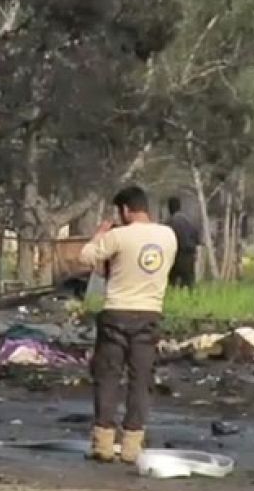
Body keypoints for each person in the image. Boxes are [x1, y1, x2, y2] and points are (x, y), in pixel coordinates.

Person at [78, 185, 177, 465]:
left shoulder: (117, 236)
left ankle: (103, 444)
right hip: (149, 314)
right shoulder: (168, 235)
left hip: (116, 312)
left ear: (124, 210)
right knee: (140, 380)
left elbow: (85, 257)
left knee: (108, 377)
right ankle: (132, 445)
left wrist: (100, 234)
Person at [165, 196, 202, 290]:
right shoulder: (190, 221)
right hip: (189, 256)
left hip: (175, 256)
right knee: (189, 284)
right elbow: (198, 239)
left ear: (169, 208)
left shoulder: (168, 223)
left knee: (172, 284)